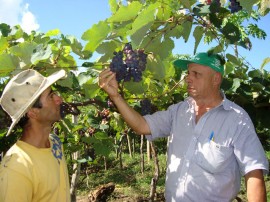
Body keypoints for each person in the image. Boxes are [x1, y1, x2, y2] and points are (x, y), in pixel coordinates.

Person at [98, 52, 269, 201]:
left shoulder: (236, 119)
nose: (188, 78)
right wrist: (116, 96)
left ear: (216, 79)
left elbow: (253, 172)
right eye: (188, 73)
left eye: (196, 74)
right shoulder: (179, 111)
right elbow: (142, 126)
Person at [0, 69, 70, 202]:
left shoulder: (54, 142)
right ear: (32, 112)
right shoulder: (16, 169)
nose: (59, 99)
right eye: (50, 96)